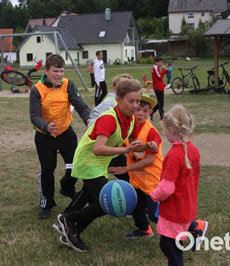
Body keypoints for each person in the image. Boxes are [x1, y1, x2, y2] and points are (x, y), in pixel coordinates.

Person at [53, 78, 144, 252]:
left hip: (101, 162)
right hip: (89, 161)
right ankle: (70, 221)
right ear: (118, 99)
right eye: (131, 101)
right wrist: (125, 151)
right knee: (107, 203)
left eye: (138, 101)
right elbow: (98, 149)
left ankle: (69, 223)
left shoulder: (129, 118)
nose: (135, 105)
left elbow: (131, 139)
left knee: (92, 194)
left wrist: (145, 148)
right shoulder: (108, 119)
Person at [29, 54, 90, 219]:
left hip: (65, 133)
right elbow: (34, 116)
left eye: (61, 71)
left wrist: (88, 118)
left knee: (75, 166)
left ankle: (67, 187)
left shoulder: (68, 85)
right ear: (46, 71)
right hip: (45, 136)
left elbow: (80, 105)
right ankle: (46, 204)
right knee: (48, 170)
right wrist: (46, 126)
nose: (59, 75)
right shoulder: (37, 90)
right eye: (56, 71)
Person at [150, 104, 201, 265]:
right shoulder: (193, 150)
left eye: (165, 129)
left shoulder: (174, 155)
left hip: (174, 211)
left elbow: (167, 187)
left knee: (168, 246)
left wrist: (153, 195)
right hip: (187, 206)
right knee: (174, 246)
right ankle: (196, 229)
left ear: (172, 129)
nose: (164, 133)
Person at [108, 93, 162, 237]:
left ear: (150, 112)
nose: (140, 113)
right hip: (137, 178)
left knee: (155, 215)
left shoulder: (151, 132)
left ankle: (193, 227)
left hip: (152, 179)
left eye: (145, 111)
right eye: (138, 109)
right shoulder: (128, 127)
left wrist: (125, 169)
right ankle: (145, 230)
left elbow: (149, 160)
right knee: (136, 206)